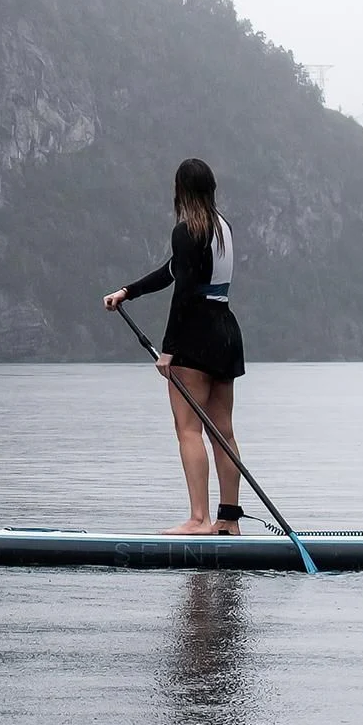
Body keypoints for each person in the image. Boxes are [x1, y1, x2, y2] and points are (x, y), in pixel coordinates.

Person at [103, 158, 250, 536]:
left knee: (189, 430)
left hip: (195, 338)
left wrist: (169, 350)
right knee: (224, 432)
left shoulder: (187, 231)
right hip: (226, 333)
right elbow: (173, 271)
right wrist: (128, 292)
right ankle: (228, 521)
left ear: (180, 190)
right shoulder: (223, 229)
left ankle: (199, 519)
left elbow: (183, 291)